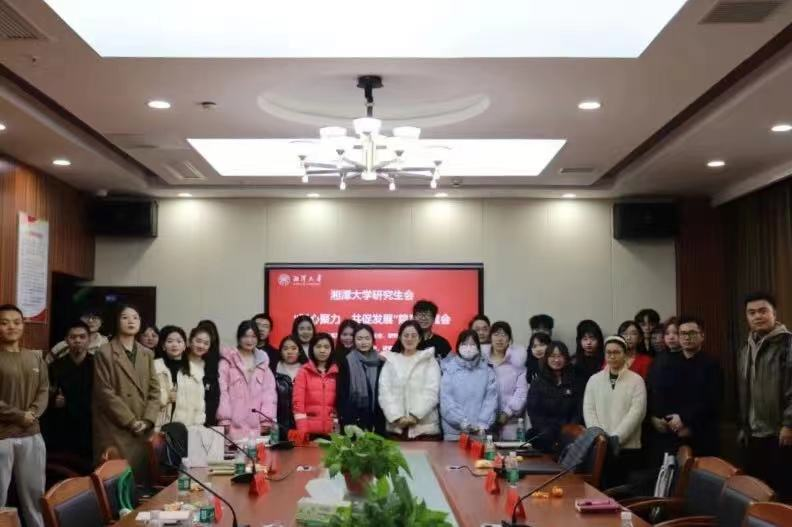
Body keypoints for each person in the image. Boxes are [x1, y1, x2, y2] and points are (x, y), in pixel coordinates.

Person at [92, 305, 160, 486]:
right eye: (125, 317)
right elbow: (104, 392)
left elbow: (155, 391)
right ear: (116, 321)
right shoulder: (104, 352)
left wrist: (147, 420)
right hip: (116, 428)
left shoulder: (147, 353)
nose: (131, 321)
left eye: (135, 318)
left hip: (142, 428)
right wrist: (131, 421)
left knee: (142, 483)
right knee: (118, 484)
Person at [736, 292, 792, 501]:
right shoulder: (745, 347)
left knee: (782, 493)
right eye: (751, 313)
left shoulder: (787, 343)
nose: (757, 316)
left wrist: (789, 424)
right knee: (756, 493)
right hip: (752, 433)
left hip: (780, 433)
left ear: (774, 313)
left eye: (762, 311)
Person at [0, 304, 48, 527]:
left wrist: (33, 413)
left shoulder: (35, 358)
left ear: (23, 326)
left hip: (32, 433)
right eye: (4, 323)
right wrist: (19, 415)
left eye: (17, 322)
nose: (12, 327)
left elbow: (44, 390)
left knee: (35, 495)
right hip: (3, 436)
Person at [647, 316, 721, 459]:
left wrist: (685, 420)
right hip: (672, 432)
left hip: (700, 432)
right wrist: (663, 418)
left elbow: (712, 400)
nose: (687, 337)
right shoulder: (668, 363)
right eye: (683, 333)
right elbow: (663, 395)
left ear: (702, 336)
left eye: (692, 333)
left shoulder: (711, 364)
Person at [583, 336, 647, 486]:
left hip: (627, 448)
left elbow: (637, 412)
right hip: (600, 446)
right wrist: (600, 436)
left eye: (616, 352)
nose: (612, 356)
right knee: (600, 489)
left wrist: (616, 438)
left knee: (622, 491)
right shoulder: (594, 380)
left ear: (625, 354)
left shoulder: (636, 380)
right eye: (608, 352)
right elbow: (588, 409)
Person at [43, 320, 94, 466]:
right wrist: (53, 400)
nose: (77, 340)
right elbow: (44, 394)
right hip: (62, 426)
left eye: (82, 337)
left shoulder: (98, 365)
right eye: (73, 337)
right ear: (66, 340)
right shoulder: (55, 366)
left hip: (89, 426)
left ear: (89, 340)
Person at [379, 321, 442, 440]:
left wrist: (415, 416)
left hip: (425, 430)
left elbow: (432, 391)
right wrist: (397, 417)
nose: (409, 339)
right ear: (400, 338)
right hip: (396, 430)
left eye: (413, 335)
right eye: (406, 335)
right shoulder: (391, 361)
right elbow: (385, 392)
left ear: (420, 338)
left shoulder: (429, 360)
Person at [217, 321, 277, 440]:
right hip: (232, 427)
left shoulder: (263, 363)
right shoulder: (227, 361)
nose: (249, 340)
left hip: (255, 429)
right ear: (239, 338)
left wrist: (266, 420)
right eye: (245, 336)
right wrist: (224, 419)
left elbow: (269, 394)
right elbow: (222, 391)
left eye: (253, 336)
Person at [439, 330, 498, 441]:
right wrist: (462, 422)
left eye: (472, 344)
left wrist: (482, 424)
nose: (468, 348)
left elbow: (491, 400)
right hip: (454, 434)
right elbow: (446, 401)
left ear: (478, 347)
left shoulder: (487, 371)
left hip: (480, 433)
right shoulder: (449, 369)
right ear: (458, 346)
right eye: (464, 344)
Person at [526, 341, 583, 453]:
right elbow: (533, 411)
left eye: (560, 356)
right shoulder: (538, 382)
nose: (556, 360)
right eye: (552, 356)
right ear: (546, 358)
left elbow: (578, 410)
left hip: (569, 435)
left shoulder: (575, 381)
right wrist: (548, 431)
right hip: (545, 435)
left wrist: (568, 430)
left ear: (566, 358)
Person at [482, 321, 528, 440]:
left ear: (509, 339)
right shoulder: (481, 361)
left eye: (504, 335)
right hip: (485, 422)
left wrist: (506, 413)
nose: (500, 339)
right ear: (490, 337)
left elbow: (521, 392)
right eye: (496, 334)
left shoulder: (518, 363)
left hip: (511, 424)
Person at [336, 324, 385, 434]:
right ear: (354, 340)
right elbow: (342, 394)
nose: (363, 342)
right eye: (359, 338)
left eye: (367, 338)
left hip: (377, 418)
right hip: (352, 419)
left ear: (373, 340)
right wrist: (347, 418)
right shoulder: (346, 362)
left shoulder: (380, 362)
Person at [293, 333, 339, 436]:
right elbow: (298, 404)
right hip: (309, 432)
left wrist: (336, 428)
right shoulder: (304, 371)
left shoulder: (337, 372)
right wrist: (303, 432)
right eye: (318, 346)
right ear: (312, 349)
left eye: (326, 347)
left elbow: (339, 404)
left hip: (332, 433)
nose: (322, 350)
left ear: (332, 350)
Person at [171, 326, 209, 426]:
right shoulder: (179, 364)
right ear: (189, 341)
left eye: (206, 343)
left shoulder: (209, 367)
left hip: (196, 423)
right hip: (175, 421)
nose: (201, 345)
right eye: (198, 341)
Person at [153, 325, 186, 429]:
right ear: (163, 346)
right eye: (170, 341)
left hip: (183, 424)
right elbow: (148, 395)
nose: (174, 345)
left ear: (185, 346)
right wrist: (167, 397)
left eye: (179, 341)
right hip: (158, 422)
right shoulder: (154, 366)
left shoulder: (192, 370)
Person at [197, 320, 221, 426]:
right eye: (200, 340)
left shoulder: (220, 359)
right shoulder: (189, 357)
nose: (202, 345)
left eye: (206, 341)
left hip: (212, 405)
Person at [274, 336, 299, 433]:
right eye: (285, 349)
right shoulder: (273, 370)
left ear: (300, 351)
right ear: (280, 351)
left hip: (301, 424)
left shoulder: (306, 371)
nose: (289, 352)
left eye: (294, 348)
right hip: (278, 425)